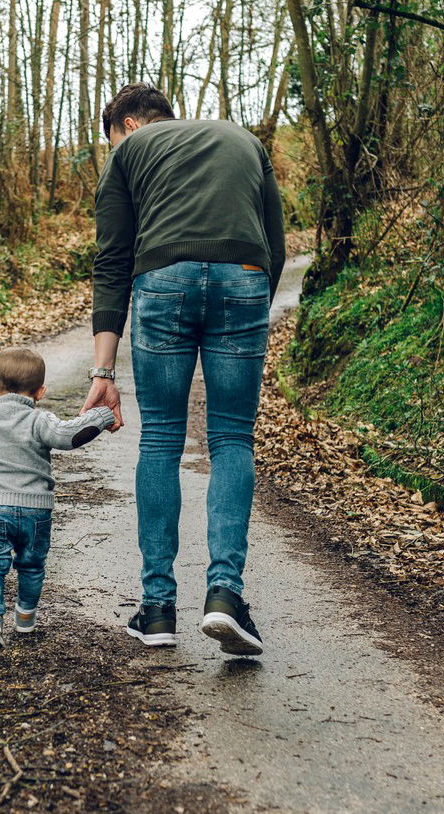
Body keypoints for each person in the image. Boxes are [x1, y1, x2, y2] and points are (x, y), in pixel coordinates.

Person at [81, 83, 285, 656]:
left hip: (161, 281)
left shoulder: (129, 153)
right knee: (230, 437)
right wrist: (245, 307)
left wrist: (103, 371)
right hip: (244, 277)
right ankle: (224, 596)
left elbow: (113, 259)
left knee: (163, 440)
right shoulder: (243, 140)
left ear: (124, 125)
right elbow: (277, 245)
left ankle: (157, 609)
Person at [0, 348, 116, 648]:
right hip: (36, 511)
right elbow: (69, 436)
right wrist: (102, 415)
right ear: (40, 391)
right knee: (32, 564)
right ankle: (25, 617)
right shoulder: (40, 420)